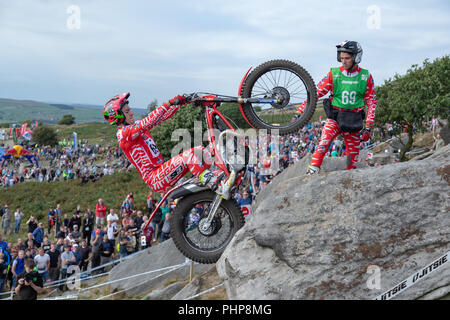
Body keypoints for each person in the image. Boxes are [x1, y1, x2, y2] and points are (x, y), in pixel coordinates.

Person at [102, 92, 231, 200]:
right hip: (155, 177)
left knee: (201, 152)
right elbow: (149, 120)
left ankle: (217, 179)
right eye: (127, 111)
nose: (131, 113)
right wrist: (169, 103)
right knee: (190, 156)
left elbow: (160, 118)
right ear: (118, 116)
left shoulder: (133, 128)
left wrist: (182, 102)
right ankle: (218, 186)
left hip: (161, 171)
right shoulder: (123, 134)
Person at [296, 41, 377, 174]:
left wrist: (368, 126)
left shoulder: (365, 76)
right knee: (324, 142)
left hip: (354, 120)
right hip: (335, 117)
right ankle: (313, 169)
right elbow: (316, 93)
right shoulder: (333, 74)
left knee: (353, 154)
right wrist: (300, 110)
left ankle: (351, 176)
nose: (343, 61)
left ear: (356, 58)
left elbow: (372, 101)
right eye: (342, 58)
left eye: (347, 58)